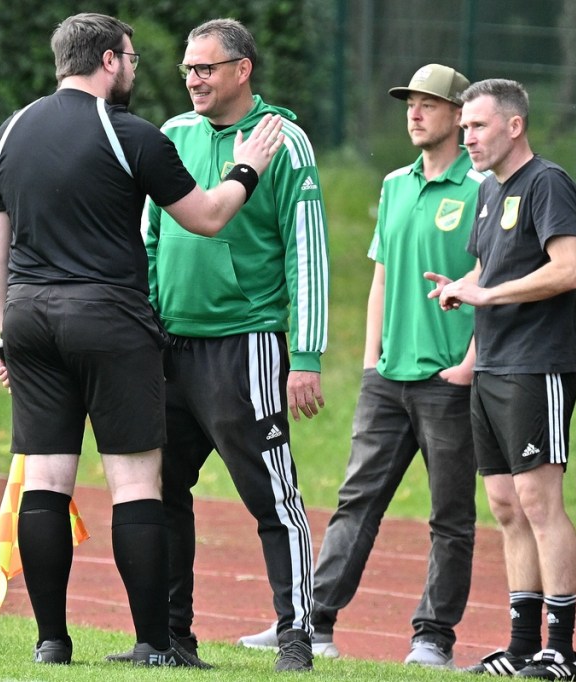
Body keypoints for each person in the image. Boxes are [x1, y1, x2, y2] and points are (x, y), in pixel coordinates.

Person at [0, 12, 284, 667]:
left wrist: (6, 335)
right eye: (133, 59)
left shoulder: (8, 134)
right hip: (108, 320)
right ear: (110, 61)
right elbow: (206, 218)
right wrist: (247, 167)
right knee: (136, 482)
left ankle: (51, 642)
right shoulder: (131, 134)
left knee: (46, 478)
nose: (136, 71)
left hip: (28, 316)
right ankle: (154, 643)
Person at [239, 63, 481, 668]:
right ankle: (313, 622)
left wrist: (469, 364)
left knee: (450, 516)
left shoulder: (482, 188)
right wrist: (372, 363)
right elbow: (381, 277)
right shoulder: (395, 183)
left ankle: (433, 638)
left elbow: (494, 279)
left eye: (429, 104)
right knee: (356, 502)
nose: (415, 113)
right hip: (388, 379)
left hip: (449, 380)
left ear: (459, 115)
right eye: (410, 103)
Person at [142, 18, 330, 673]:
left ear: (242, 70)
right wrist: (145, 324)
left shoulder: (284, 141)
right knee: (161, 491)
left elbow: (308, 252)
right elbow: (150, 238)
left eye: (206, 68)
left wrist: (305, 357)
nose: (193, 79)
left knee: (272, 497)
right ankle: (171, 639)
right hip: (170, 347)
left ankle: (296, 637)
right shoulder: (172, 134)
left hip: (243, 345)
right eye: (188, 69)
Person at [425, 78, 576, 681]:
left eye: (477, 126)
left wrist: (486, 294)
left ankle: (561, 653)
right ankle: (521, 648)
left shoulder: (547, 182)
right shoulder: (489, 189)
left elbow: (568, 269)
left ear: (514, 126)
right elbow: (485, 270)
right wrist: (462, 290)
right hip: (492, 366)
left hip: (536, 365)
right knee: (504, 506)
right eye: (464, 126)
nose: (466, 136)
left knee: (540, 503)